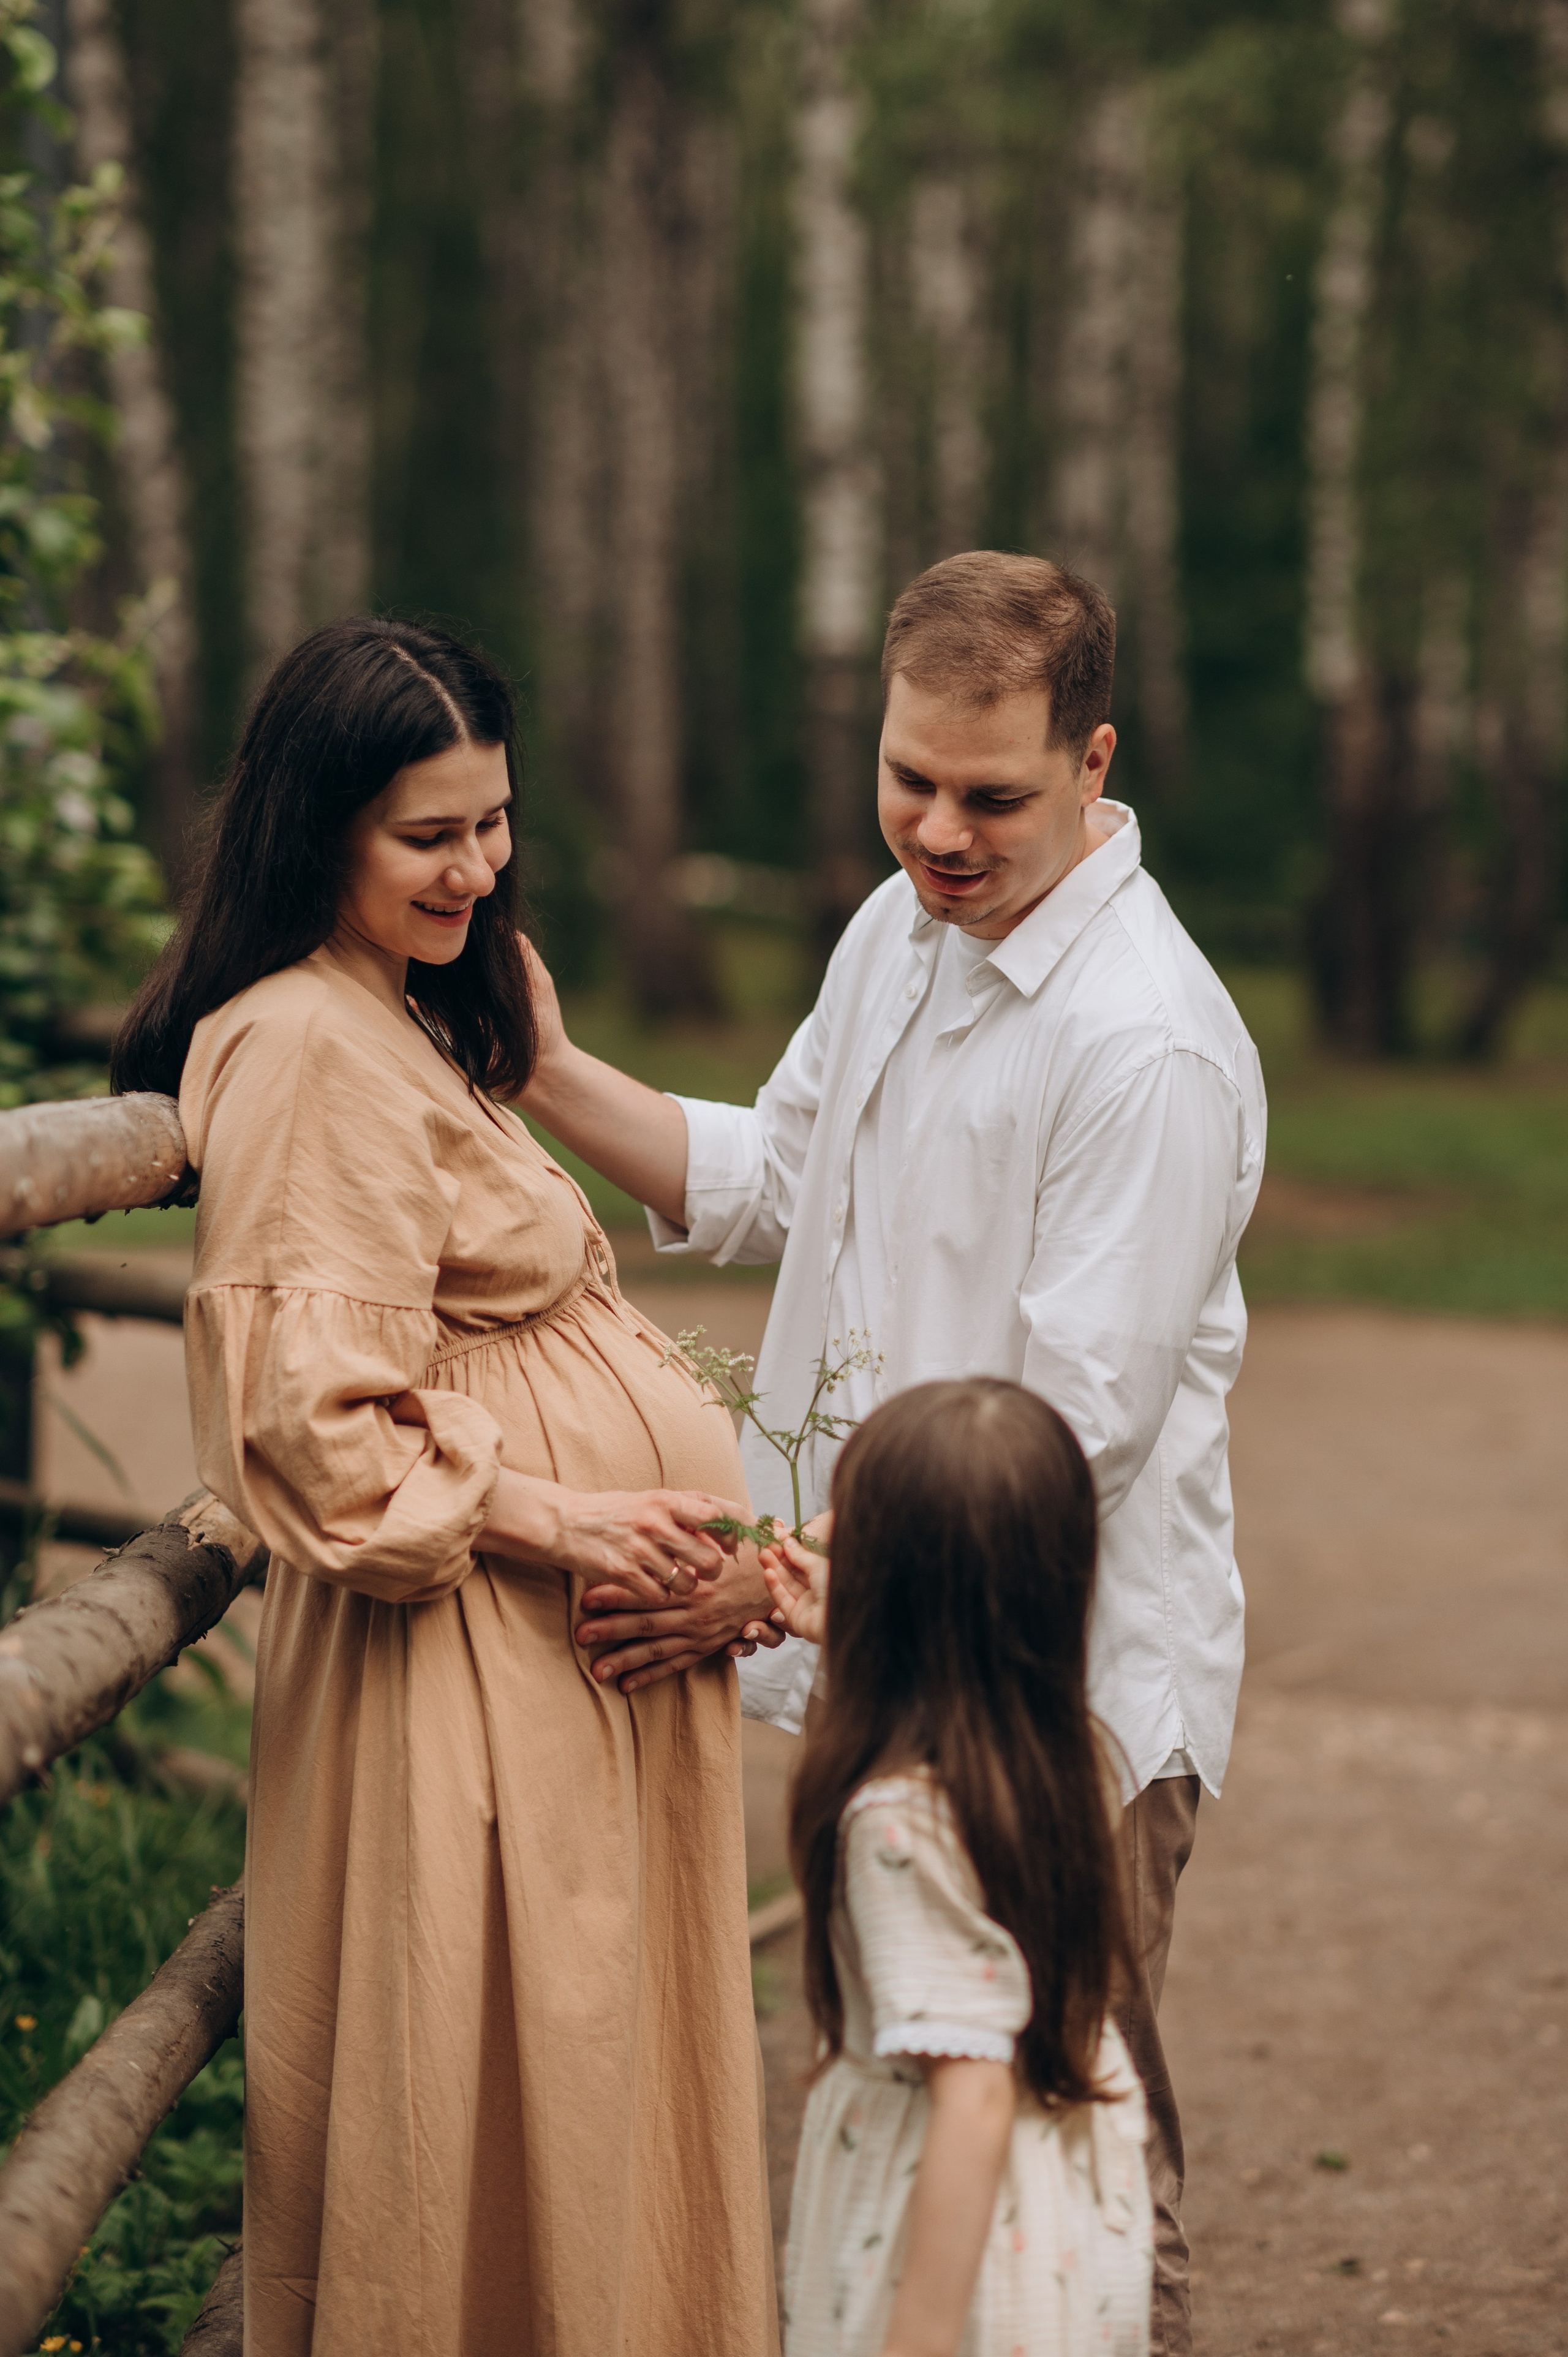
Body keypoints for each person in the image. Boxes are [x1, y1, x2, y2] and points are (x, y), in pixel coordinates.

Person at [517, 549, 1266, 2355]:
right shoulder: (901, 927)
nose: (935, 829)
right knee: (914, 2094)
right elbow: (775, 1169)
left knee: (1068, 2144)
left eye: (989, 795)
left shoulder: (1146, 1050)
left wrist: (762, 1593)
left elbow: (1065, 1454)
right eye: (905, 778)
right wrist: (531, 1062)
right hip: (875, 1643)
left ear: (1092, 763)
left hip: (1050, 1689)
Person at [110, 619, 778, 2357]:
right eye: (431, 834)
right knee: (493, 2110)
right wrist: (567, 1517)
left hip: (547, 1671)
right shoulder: (305, 1045)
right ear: (319, 824)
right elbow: (311, 1424)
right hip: (467, 1674)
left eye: (494, 821)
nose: (479, 865)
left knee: (578, 2096)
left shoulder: (398, 1020)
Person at [760, 1377, 1154, 2357]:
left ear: (896, 1592)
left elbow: (970, 2094)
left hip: (950, 2237)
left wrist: (920, 2337)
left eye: (849, 1533)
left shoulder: (897, 1822)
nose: (821, 1540)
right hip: (1057, 2208)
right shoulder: (1062, 1753)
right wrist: (846, 1641)